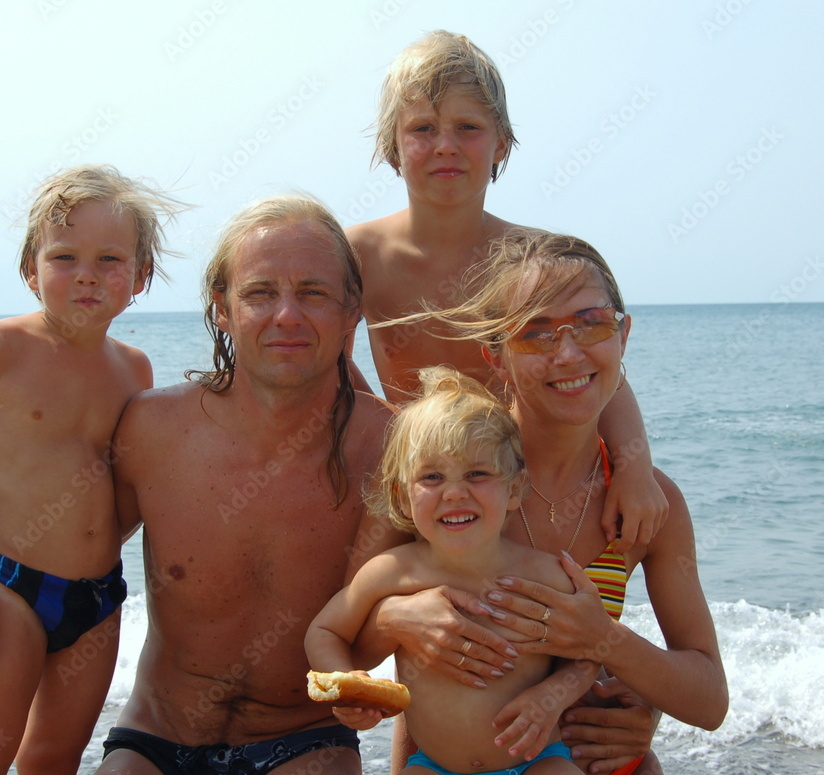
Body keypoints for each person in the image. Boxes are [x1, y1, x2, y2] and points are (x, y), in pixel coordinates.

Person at [0, 195, 397, 775]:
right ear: (221, 307)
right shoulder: (154, 428)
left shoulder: (392, 449)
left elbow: (452, 564)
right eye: (260, 292)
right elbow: (76, 539)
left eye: (314, 293)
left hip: (305, 739)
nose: (287, 316)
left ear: (353, 311)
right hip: (156, 738)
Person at [359, 232, 728, 774]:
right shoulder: (447, 480)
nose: (568, 353)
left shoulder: (648, 501)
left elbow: (710, 699)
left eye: (591, 324)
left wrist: (609, 646)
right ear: (497, 356)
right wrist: (394, 618)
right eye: (534, 335)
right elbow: (387, 656)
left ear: (622, 335)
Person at [0, 164, 179, 774]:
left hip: (100, 599)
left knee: (54, 758)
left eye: (110, 259)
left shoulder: (135, 370)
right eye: (64, 257)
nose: (86, 274)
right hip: (11, 595)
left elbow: (115, 494)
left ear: (141, 277)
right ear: (30, 269)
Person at [346, 30, 667, 556]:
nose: (445, 144)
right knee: (391, 604)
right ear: (392, 148)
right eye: (423, 128)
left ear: (500, 143)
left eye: (467, 127)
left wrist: (635, 469)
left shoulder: (532, 259)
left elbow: (597, 364)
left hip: (522, 472)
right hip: (429, 474)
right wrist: (395, 432)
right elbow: (333, 370)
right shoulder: (361, 255)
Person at [306, 366, 593, 774]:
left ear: (514, 489)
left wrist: (552, 695)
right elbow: (325, 631)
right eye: (432, 477)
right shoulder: (392, 572)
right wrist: (346, 688)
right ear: (402, 498)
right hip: (435, 766)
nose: (455, 493)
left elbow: (589, 653)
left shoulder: (548, 575)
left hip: (537, 761)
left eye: (477, 474)